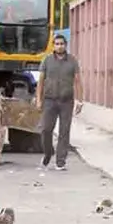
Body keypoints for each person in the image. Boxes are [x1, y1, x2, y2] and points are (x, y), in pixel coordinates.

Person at [36, 35, 82, 170]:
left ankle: (60, 161)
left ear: (65, 45)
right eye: (57, 44)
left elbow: (78, 81)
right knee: (45, 129)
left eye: (62, 44)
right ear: (53, 46)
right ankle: (48, 152)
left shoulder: (72, 61)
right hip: (49, 100)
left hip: (66, 101)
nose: (59, 46)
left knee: (64, 131)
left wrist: (80, 101)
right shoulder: (47, 60)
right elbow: (41, 81)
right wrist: (38, 100)